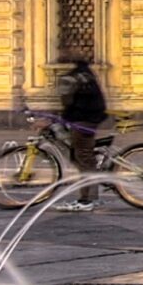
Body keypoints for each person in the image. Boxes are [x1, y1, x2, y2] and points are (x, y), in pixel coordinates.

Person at [56, 58, 111, 210]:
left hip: (83, 120)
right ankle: (89, 196)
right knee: (80, 157)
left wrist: (56, 117)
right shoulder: (84, 73)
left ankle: (87, 200)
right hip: (88, 118)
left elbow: (69, 103)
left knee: (84, 158)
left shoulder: (72, 77)